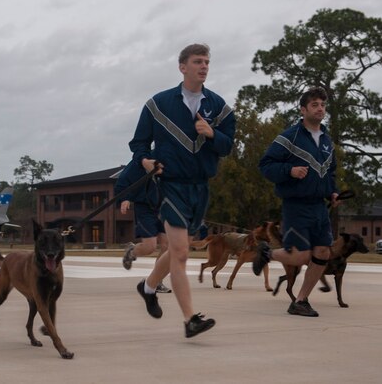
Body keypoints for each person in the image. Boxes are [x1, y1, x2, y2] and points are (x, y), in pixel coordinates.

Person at [129, 44, 236, 338]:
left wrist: (213, 134)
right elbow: (138, 143)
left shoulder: (220, 107)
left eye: (207, 62)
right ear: (182, 67)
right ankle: (190, 319)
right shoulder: (158, 104)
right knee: (180, 252)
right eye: (198, 62)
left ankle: (148, 287)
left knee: (180, 249)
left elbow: (228, 146)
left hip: (200, 187)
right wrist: (145, 160)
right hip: (171, 185)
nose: (204, 66)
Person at [253, 87, 339, 317]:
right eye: (314, 105)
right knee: (301, 255)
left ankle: (300, 301)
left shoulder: (327, 141)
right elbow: (265, 165)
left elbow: (331, 171)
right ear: (303, 110)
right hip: (296, 204)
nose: (320, 108)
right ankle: (266, 254)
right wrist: (289, 170)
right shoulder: (289, 137)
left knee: (322, 253)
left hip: (319, 207)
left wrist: (333, 191)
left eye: (322, 104)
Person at [115, 158, 171, 293]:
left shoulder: (171, 159)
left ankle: (157, 281)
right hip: (144, 207)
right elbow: (122, 181)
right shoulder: (140, 161)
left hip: (164, 207)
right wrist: (125, 198)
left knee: (168, 247)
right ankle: (131, 251)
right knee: (150, 247)